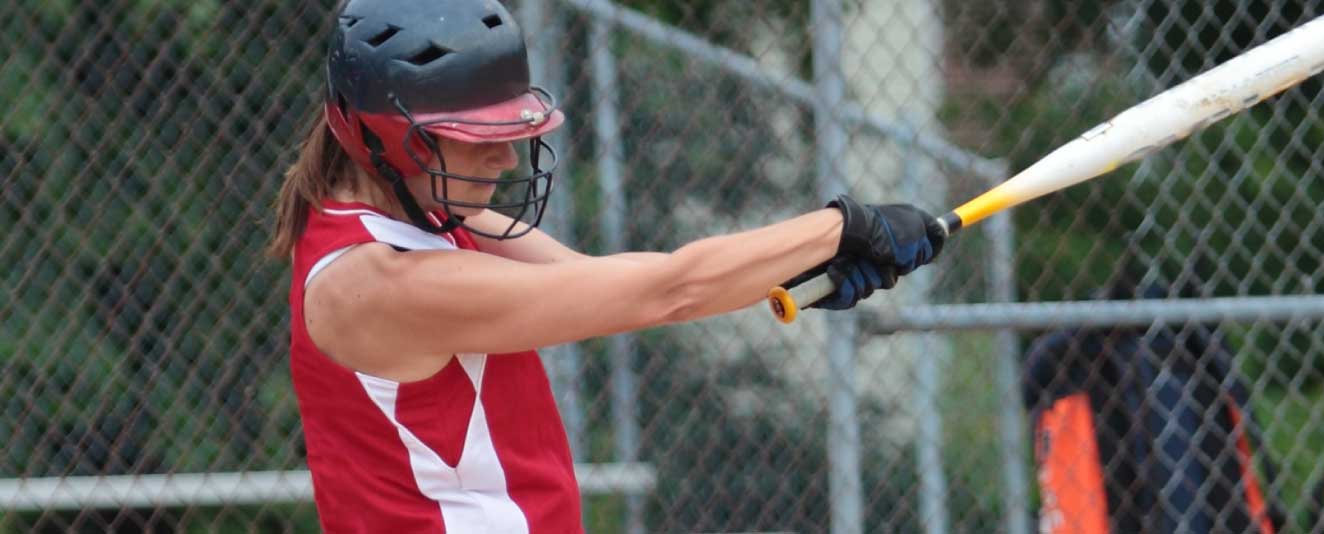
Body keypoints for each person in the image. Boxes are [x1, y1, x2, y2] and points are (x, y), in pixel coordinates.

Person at [265, 1, 942, 531]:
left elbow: (613, 284)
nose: (504, 161)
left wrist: (799, 265)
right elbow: (667, 291)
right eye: (476, 140)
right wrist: (840, 225)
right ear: (387, 138)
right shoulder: (377, 281)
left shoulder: (425, 218)